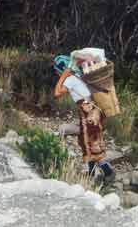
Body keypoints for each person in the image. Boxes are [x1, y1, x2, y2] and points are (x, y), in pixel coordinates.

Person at [53, 55, 115, 183]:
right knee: (85, 139)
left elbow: (56, 93)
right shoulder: (80, 76)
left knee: (91, 141)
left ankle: (108, 172)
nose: (56, 74)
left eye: (57, 71)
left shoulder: (70, 79)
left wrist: (64, 75)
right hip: (93, 111)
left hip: (88, 113)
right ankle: (91, 173)